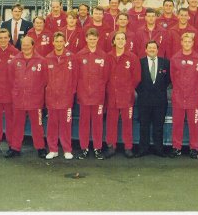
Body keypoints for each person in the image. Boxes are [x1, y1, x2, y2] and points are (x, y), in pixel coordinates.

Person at [6, 36, 48, 158]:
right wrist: (17, 91)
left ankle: (40, 148)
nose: (25, 47)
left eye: (27, 44)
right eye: (23, 45)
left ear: (33, 45)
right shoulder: (15, 60)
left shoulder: (41, 61)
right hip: (19, 98)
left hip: (35, 99)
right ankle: (15, 148)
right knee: (17, 124)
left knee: (37, 125)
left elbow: (45, 80)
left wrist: (36, 91)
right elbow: (11, 78)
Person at [104, 32, 141, 159]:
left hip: (126, 95)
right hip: (112, 95)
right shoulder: (108, 56)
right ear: (114, 41)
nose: (120, 41)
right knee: (111, 122)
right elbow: (104, 76)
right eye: (118, 39)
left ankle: (128, 147)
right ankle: (111, 146)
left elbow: (136, 77)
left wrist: (129, 89)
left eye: (122, 39)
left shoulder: (132, 57)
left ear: (126, 41)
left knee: (127, 122)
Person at [76, 28, 110, 160]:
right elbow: (76, 76)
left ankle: (97, 148)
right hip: (84, 95)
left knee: (97, 123)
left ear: (98, 39)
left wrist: (99, 89)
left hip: (98, 96)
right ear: (86, 39)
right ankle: (84, 148)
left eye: (94, 38)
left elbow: (105, 76)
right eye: (90, 38)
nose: (92, 41)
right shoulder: (79, 55)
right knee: (84, 123)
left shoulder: (103, 56)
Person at [169, 33, 198, 159]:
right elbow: (173, 78)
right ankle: (176, 147)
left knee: (193, 124)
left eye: (190, 41)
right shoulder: (175, 58)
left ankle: (194, 147)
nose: (187, 43)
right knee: (177, 123)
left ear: (193, 43)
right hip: (178, 96)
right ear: (181, 42)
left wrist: (194, 92)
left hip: (193, 97)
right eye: (185, 41)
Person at [44, 32, 78, 160]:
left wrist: (71, 92)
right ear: (53, 43)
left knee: (66, 124)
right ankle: (53, 149)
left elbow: (75, 77)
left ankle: (67, 149)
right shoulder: (48, 58)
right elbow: (45, 79)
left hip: (66, 97)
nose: (59, 43)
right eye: (56, 41)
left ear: (64, 42)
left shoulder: (72, 57)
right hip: (52, 97)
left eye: (61, 41)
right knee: (52, 124)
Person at [135, 40, 171, 157]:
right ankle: (142, 149)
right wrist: (143, 92)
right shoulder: (139, 63)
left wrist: (158, 90)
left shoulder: (165, 63)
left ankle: (159, 149)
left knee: (158, 126)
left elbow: (168, 80)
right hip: (144, 99)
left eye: (154, 48)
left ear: (157, 50)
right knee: (144, 126)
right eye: (149, 48)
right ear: (145, 50)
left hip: (160, 100)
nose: (151, 50)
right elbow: (137, 80)